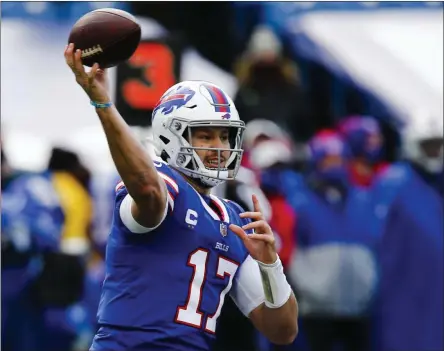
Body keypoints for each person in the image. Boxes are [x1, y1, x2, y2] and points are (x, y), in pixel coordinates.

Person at [64, 43, 298, 351]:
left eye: (225, 136)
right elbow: (148, 189)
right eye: (205, 135)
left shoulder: (231, 218)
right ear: (169, 137)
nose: (220, 147)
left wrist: (271, 266)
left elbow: (282, 330)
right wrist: (105, 105)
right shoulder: (163, 185)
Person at [373, 112, 443, 351]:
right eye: (429, 145)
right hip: (402, 291)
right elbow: (375, 235)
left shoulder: (437, 184)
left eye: (439, 144)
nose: (436, 152)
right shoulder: (393, 182)